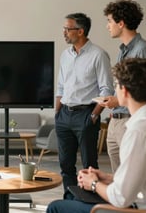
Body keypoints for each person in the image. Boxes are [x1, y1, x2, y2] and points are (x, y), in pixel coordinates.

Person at [47, 58, 146, 213]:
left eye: (116, 85)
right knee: (73, 195)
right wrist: (107, 177)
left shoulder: (138, 132)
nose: (114, 90)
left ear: (124, 91)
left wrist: (93, 184)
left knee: (56, 207)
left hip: (144, 209)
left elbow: (120, 198)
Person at [55, 13, 114, 199]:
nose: (64, 32)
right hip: (64, 114)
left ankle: (89, 202)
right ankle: (70, 200)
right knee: (65, 164)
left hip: (86, 114)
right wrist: (57, 112)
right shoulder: (66, 55)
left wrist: (94, 116)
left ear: (80, 31)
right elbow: (61, 86)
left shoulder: (98, 54)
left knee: (89, 165)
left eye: (68, 28)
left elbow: (106, 89)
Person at [100, 0, 146, 172]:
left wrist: (117, 101)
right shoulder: (123, 50)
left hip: (130, 122)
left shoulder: (143, 50)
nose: (107, 26)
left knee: (133, 176)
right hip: (116, 121)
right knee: (119, 178)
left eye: (109, 21)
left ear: (121, 23)